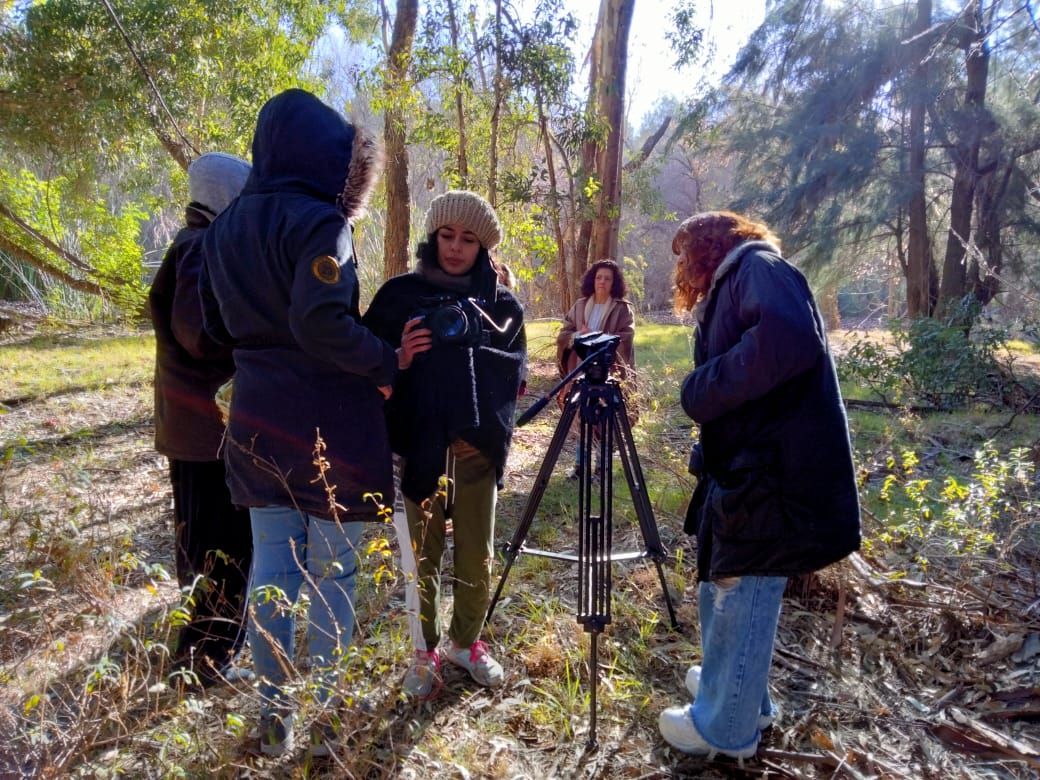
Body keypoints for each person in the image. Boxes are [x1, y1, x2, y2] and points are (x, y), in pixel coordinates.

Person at [199, 88, 396, 757]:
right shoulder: (321, 222)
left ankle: (273, 716)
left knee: (273, 572)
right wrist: (385, 362)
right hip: (326, 424)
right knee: (334, 574)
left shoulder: (223, 228)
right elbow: (321, 323)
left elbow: (214, 327)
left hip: (255, 418)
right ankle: (329, 721)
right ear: (329, 156)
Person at [657, 211, 861, 759]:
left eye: (685, 252)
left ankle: (725, 728)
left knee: (744, 585)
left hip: (773, 471)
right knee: (727, 578)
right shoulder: (736, 282)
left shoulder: (758, 268)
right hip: (750, 464)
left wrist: (701, 388)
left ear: (711, 244)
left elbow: (787, 341)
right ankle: (741, 695)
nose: (681, 265)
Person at [362, 191, 526, 700]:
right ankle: (424, 652)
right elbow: (365, 367)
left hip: (476, 454)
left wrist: (474, 352)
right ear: (432, 237)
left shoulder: (501, 305)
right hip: (418, 450)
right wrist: (399, 356)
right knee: (420, 560)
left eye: (468, 239)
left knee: (477, 557)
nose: (455, 247)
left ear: (484, 246)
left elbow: (513, 375)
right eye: (447, 235)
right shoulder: (398, 296)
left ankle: (465, 643)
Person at [149, 152, 253, 689]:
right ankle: (204, 660)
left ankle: (210, 651)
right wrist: (254, 339)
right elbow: (198, 336)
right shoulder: (200, 249)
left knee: (215, 545)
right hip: (205, 432)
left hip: (199, 429)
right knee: (218, 549)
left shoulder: (198, 245)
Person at [555, 259, 636, 478]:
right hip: (581, 370)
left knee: (605, 419)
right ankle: (580, 467)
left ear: (614, 283)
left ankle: (602, 468)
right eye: (599, 277)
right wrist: (577, 336)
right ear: (592, 280)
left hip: (608, 372)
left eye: (607, 279)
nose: (602, 282)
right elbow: (564, 334)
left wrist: (598, 338)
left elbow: (626, 338)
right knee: (581, 417)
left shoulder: (622, 309)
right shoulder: (580, 306)